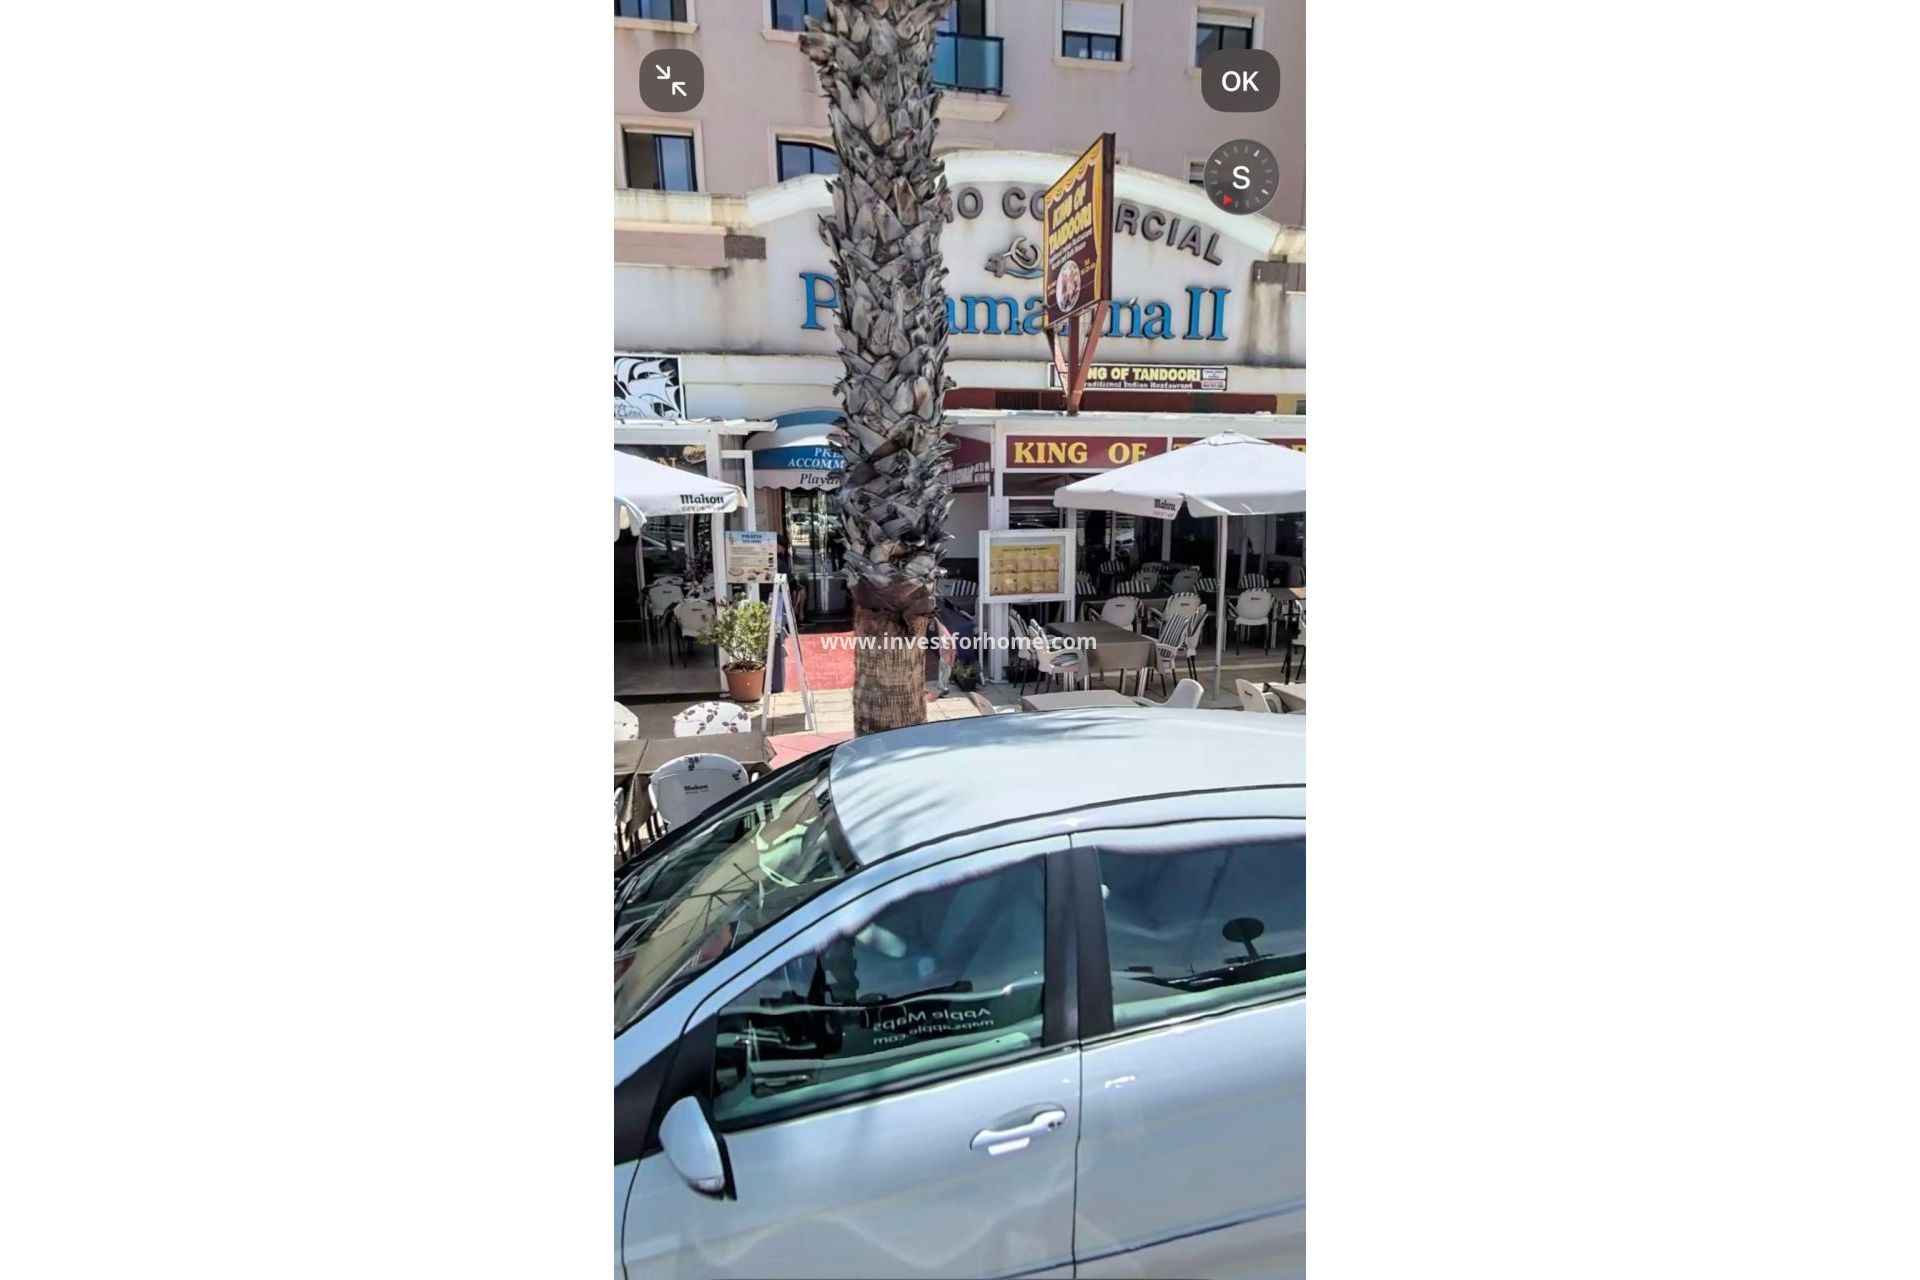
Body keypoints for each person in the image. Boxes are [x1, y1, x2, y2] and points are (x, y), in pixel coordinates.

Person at [777, 532, 808, 624]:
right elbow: (786, 574)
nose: (782, 548)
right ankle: (796, 615)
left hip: (786, 583)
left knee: (801, 591)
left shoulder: (782, 557)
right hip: (781, 586)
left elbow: (788, 574)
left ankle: (799, 615)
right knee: (799, 592)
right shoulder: (778, 559)